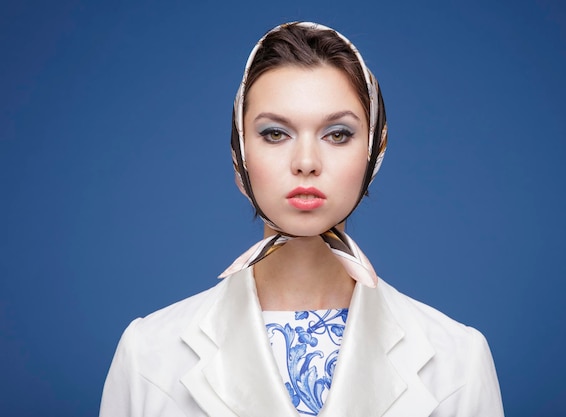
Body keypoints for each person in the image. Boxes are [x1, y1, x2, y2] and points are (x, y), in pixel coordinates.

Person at [100, 21, 505, 417]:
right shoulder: (148, 356)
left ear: (374, 151)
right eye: (275, 133)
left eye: (338, 134)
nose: (306, 163)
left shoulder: (458, 361)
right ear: (238, 154)